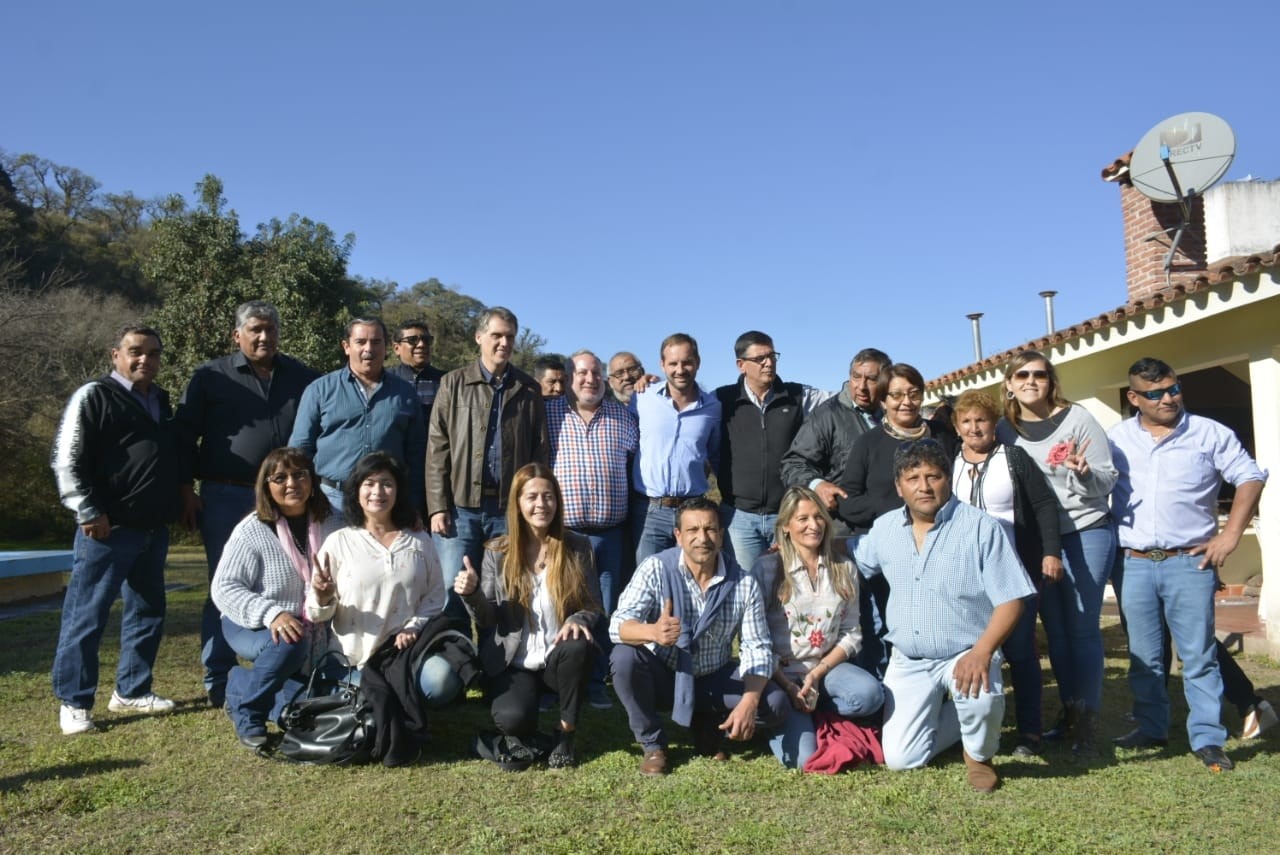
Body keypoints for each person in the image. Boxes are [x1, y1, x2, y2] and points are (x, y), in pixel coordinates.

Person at [1108, 358, 1267, 772]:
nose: (1168, 399)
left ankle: (1208, 739)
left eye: (1173, 389)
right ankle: (1151, 728)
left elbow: (1250, 477)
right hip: (1134, 563)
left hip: (1189, 562)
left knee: (1199, 656)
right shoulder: (1117, 438)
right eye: (1156, 393)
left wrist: (1230, 534)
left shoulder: (1209, 433)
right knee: (1144, 656)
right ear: (1134, 397)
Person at [851, 440, 1034, 792]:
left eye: (933, 476)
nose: (924, 486)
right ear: (899, 486)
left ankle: (979, 755)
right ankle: (964, 720)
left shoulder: (981, 528)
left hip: (966, 652)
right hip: (909, 659)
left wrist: (982, 652)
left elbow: (1012, 601)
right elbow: (853, 558)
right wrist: (799, 545)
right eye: (913, 478)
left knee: (981, 695)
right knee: (901, 759)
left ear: (947, 479)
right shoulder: (885, 528)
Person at [176, 300, 320, 708]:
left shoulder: (302, 377)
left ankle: (287, 666)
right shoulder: (210, 377)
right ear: (237, 335)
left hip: (288, 497)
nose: (264, 337)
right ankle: (219, 677)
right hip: (228, 494)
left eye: (270, 329)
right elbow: (184, 435)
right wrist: (185, 489)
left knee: (294, 582)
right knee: (224, 585)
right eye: (255, 329)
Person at [51, 324, 181, 735]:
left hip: (151, 528)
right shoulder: (94, 395)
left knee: (147, 611)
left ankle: (132, 690)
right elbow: (66, 459)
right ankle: (74, 702)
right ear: (116, 355)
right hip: (107, 529)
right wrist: (88, 511)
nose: (145, 359)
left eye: (154, 353)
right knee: (87, 614)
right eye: (136, 351)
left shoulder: (160, 400)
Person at [610, 497, 788, 776]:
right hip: (666, 675)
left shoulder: (743, 582)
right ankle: (653, 744)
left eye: (710, 529)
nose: (702, 538)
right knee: (624, 657)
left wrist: (748, 702)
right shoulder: (656, 567)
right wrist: (652, 631)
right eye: (692, 530)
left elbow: (758, 648)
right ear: (678, 535)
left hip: (712, 676)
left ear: (721, 534)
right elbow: (617, 625)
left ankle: (711, 724)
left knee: (774, 704)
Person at [995, 350, 1116, 754]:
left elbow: (1108, 479)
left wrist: (1084, 473)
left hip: (1084, 531)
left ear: (1051, 382)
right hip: (1037, 542)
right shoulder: (1004, 430)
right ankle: (1069, 711)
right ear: (1009, 384)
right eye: (1022, 375)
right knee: (1056, 631)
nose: (1031, 381)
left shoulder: (1078, 419)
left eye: (1040, 375)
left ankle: (1088, 719)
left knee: (1082, 627)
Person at [454, 464, 601, 768]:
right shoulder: (497, 552)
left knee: (578, 645)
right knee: (513, 719)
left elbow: (593, 605)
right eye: (532, 497)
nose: (541, 504)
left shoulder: (577, 546)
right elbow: (487, 619)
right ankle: (510, 737)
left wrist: (577, 619)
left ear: (557, 501)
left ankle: (565, 733)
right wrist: (472, 593)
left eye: (548, 496)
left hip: (558, 659)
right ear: (517, 503)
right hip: (514, 663)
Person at [950, 389, 1062, 756]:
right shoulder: (950, 462)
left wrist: (1050, 552)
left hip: (1014, 570)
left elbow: (1044, 505)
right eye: (966, 421)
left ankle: (1029, 731)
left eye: (981, 420)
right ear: (957, 426)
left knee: (1020, 649)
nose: (974, 427)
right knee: (973, 648)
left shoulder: (1013, 458)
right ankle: (976, 729)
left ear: (994, 423)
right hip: (968, 576)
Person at [211, 447, 340, 750]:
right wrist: (272, 614)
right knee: (291, 641)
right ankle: (249, 715)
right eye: (280, 478)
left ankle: (239, 685)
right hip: (251, 623)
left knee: (305, 703)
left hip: (316, 624)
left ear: (312, 480)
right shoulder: (252, 530)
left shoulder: (335, 522)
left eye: (299, 475)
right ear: (266, 486)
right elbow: (224, 587)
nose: (292, 483)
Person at [307, 452, 461, 703]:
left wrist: (413, 626)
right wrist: (323, 598)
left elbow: (434, 597)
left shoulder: (419, 540)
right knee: (374, 700)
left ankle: (401, 693)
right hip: (352, 660)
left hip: (405, 654)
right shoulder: (339, 542)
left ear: (398, 491)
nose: (377, 492)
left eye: (387, 484)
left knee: (442, 682)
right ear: (356, 491)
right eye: (369, 483)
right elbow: (315, 613)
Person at [834, 363, 957, 678]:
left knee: (938, 621)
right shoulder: (869, 443)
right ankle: (886, 690)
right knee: (887, 627)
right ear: (883, 400)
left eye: (914, 394)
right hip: (887, 553)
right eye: (896, 395)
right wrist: (893, 510)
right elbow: (848, 501)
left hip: (940, 545)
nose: (906, 402)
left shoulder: (942, 435)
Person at [754, 487, 884, 769]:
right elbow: (756, 639)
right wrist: (789, 687)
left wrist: (816, 674)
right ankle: (782, 716)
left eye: (819, 517)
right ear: (786, 526)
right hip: (782, 676)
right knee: (804, 759)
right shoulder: (768, 568)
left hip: (825, 671)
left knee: (870, 696)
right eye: (802, 519)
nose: (813, 525)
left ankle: (817, 710)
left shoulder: (843, 568)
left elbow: (852, 633)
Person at [426, 307, 549, 603]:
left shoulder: (528, 389)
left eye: (510, 337)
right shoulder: (453, 383)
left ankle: (497, 638)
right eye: (497, 335)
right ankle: (452, 636)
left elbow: (539, 449)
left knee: (506, 593)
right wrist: (437, 506)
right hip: (460, 509)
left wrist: (531, 504)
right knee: (451, 590)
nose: (504, 343)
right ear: (479, 337)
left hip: (509, 509)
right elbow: (437, 447)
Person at [547, 350, 640, 709]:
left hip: (609, 533)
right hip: (563, 534)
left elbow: (634, 464)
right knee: (558, 606)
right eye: (582, 373)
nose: (590, 379)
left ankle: (596, 681)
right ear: (569, 377)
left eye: (597, 373)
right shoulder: (548, 413)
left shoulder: (622, 416)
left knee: (605, 608)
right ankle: (554, 682)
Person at [715, 331, 827, 572]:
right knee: (746, 585)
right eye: (760, 359)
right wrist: (645, 382)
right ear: (741, 365)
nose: (769, 363)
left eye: (772, 356)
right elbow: (687, 401)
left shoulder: (798, 396)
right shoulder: (722, 400)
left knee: (790, 584)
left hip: (787, 515)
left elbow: (839, 401)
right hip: (739, 518)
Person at [288, 318, 426, 515]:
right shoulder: (319, 390)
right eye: (361, 342)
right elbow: (300, 450)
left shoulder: (405, 393)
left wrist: (414, 506)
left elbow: (416, 454)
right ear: (346, 347)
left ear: (386, 347)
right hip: (331, 501)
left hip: (386, 502)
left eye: (376, 342)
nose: (369, 349)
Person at [628, 333, 721, 563]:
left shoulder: (713, 407)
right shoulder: (642, 398)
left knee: (693, 577)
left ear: (697, 362)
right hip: (649, 512)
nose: (680, 370)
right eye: (673, 363)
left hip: (693, 512)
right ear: (662, 365)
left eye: (687, 362)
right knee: (649, 578)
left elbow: (715, 456)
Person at [781, 347, 891, 532]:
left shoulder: (895, 415)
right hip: (846, 529)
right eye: (856, 377)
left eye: (871, 379)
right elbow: (793, 464)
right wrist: (817, 485)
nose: (861, 386)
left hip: (891, 525)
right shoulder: (826, 416)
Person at [388, 319, 445, 425]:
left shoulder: (446, 381)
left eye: (426, 340)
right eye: (412, 340)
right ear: (396, 348)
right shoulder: (386, 380)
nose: (421, 345)